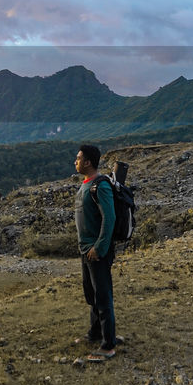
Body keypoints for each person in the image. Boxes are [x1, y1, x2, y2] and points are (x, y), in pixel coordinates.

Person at [74, 144, 117, 361]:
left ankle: (108, 345)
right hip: (85, 250)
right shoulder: (86, 185)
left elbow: (110, 219)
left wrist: (99, 248)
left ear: (88, 162)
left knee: (102, 296)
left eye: (79, 158)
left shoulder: (101, 186)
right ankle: (95, 333)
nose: (76, 161)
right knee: (91, 294)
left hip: (96, 251)